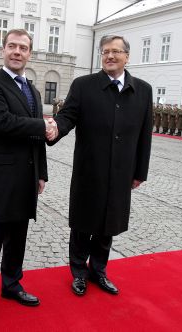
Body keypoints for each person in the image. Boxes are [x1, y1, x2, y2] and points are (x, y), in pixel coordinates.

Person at [48, 35, 152, 297]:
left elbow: (144, 134)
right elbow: (68, 116)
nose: (110, 56)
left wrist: (140, 171)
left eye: (116, 52)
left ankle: (99, 271)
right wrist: (55, 129)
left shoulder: (143, 90)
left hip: (121, 171)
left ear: (127, 57)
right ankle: (79, 273)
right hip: (89, 169)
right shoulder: (84, 85)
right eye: (105, 52)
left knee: (109, 224)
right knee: (83, 224)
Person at [0, 28, 56, 327]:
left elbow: (36, 137)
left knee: (18, 239)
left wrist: (42, 172)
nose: (17, 52)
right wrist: (43, 124)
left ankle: (11, 285)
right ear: (3, 50)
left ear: (29, 53)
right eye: (12, 46)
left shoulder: (33, 90)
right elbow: (2, 123)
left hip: (26, 177)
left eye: (23, 47)